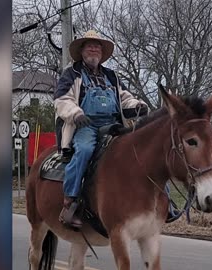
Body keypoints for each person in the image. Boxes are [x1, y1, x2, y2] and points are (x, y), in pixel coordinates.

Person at [54, 30, 148, 228]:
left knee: (137, 151)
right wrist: (76, 114)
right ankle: (69, 202)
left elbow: (124, 98)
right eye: (90, 45)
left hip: (112, 124)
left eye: (97, 46)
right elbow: (61, 100)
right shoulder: (72, 74)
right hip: (85, 124)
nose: (94, 49)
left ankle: (146, 200)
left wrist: (137, 105)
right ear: (82, 50)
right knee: (85, 151)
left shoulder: (111, 76)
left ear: (102, 52)